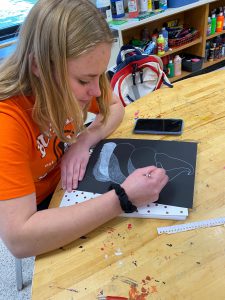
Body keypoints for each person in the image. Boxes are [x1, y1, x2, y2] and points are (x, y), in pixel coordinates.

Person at [0, 0, 168, 258]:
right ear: (39, 68)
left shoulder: (70, 82)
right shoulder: (7, 121)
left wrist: (84, 140)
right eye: (84, 80)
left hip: (69, 183)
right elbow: (19, 239)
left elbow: (114, 107)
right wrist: (122, 198)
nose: (97, 91)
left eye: (99, 76)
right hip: (39, 208)